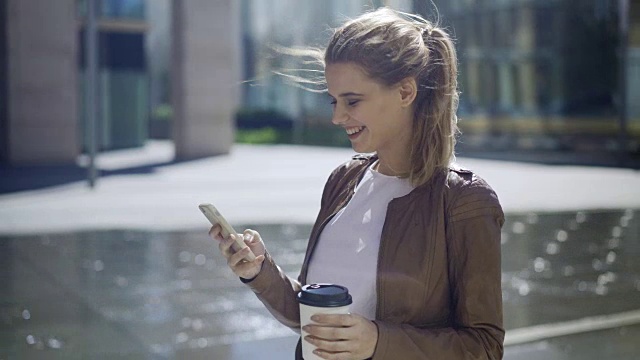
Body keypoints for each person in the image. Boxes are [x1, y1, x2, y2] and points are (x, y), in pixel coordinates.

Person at [210, 7, 504, 360]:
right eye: (334, 100)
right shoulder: (342, 181)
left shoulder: (465, 202)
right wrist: (260, 272)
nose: (337, 116)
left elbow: (484, 347)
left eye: (352, 100)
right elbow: (315, 323)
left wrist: (379, 341)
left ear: (405, 92)